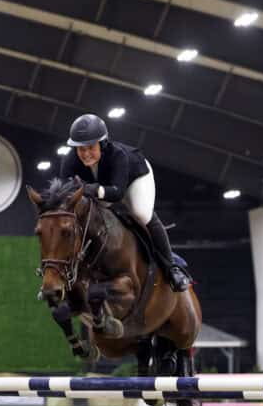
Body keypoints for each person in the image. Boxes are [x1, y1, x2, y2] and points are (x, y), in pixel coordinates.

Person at [59, 113, 191, 292]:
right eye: (81, 149)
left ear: (103, 144)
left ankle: (171, 268)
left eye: (90, 147)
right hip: (103, 187)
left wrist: (92, 189)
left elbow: (117, 193)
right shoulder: (70, 160)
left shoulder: (117, 155)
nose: (85, 153)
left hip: (134, 179)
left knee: (141, 213)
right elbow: (66, 190)